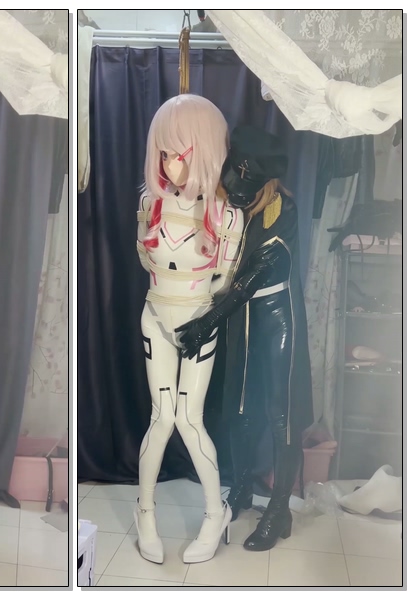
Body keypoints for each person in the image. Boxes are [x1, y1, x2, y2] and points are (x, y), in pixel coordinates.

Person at [176, 124, 314, 552]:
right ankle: (240, 489)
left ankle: (279, 510)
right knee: (239, 410)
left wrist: (208, 321)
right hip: (242, 320)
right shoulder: (229, 209)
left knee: (280, 415)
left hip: (276, 320)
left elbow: (253, 276)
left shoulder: (283, 211)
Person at [134, 94, 243, 564]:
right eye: (163, 153)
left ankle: (215, 513)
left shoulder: (227, 216)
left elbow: (223, 285)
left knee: (188, 419)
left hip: (200, 324)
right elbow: (146, 260)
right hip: (155, 317)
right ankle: (145, 513)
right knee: (161, 418)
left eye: (179, 153)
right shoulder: (150, 204)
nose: (169, 164)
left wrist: (199, 316)